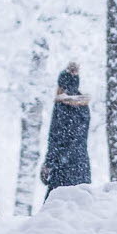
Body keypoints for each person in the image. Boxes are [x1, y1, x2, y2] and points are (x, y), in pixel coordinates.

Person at [40, 61, 91, 196]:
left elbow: (57, 137)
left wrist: (49, 163)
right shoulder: (83, 106)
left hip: (63, 165)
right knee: (81, 204)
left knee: (56, 209)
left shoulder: (62, 106)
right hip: (81, 163)